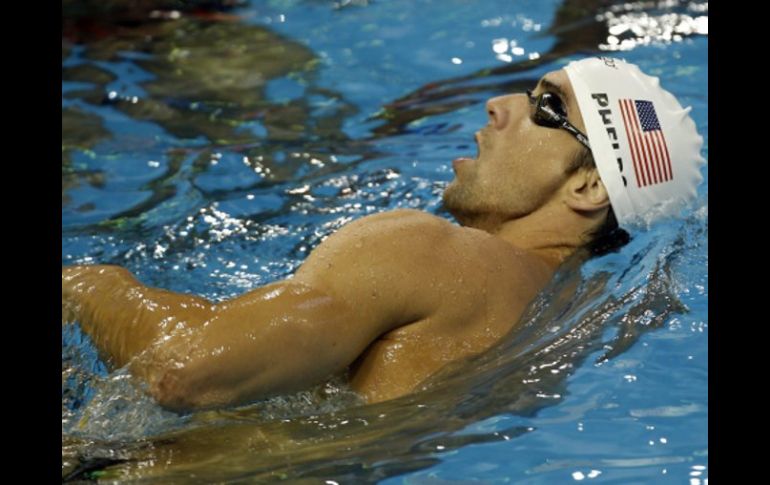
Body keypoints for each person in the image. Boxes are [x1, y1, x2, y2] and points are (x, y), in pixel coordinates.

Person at [62, 57, 705, 412]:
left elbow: (185, 371)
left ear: (589, 188)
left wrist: (88, 285)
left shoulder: (430, 250)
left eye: (546, 108)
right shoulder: (584, 322)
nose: (499, 104)